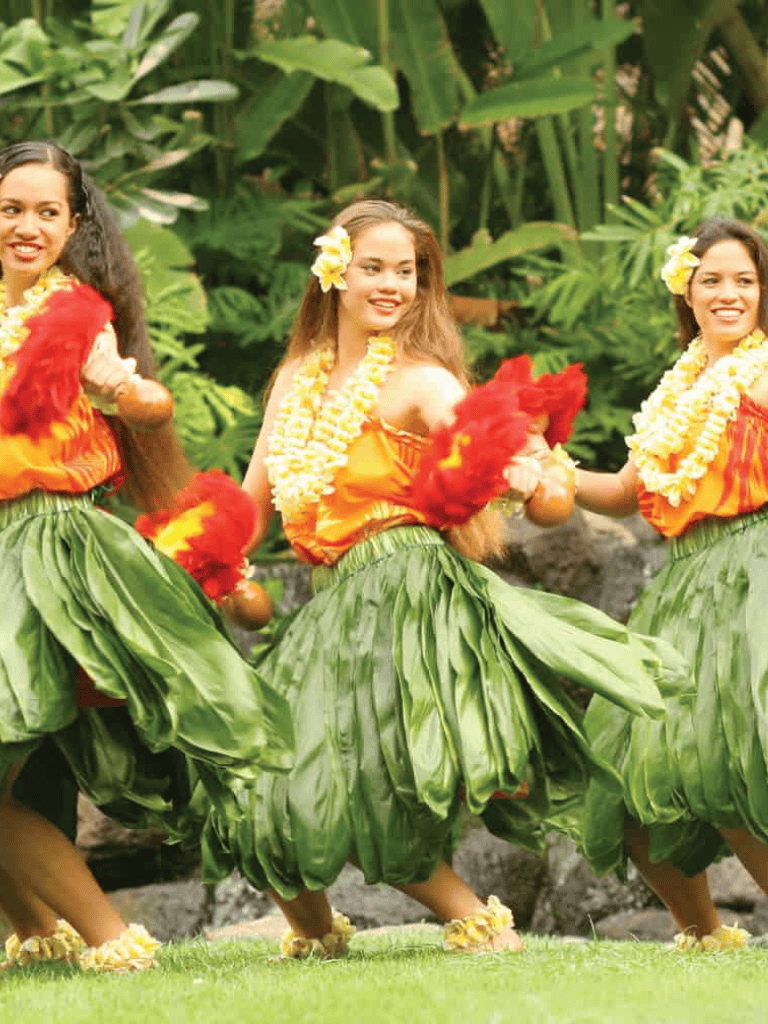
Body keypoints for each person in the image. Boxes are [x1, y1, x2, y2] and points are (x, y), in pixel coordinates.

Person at [200, 199, 688, 958]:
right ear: (335, 271)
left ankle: (478, 922)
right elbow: (253, 500)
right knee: (259, 786)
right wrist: (208, 556)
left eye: (409, 271)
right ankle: (316, 935)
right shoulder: (296, 378)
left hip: (408, 595)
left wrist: (527, 468)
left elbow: (491, 451)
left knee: (363, 784)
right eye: (375, 267)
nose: (393, 284)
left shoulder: (424, 383)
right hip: (335, 606)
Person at [0, 140, 293, 973]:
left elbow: (139, 416)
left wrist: (129, 395)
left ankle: (109, 937)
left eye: (45, 212)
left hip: (54, 547)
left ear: (73, 223)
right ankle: (38, 931)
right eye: (10, 208)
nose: (26, 226)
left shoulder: (78, 318)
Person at [573, 217, 768, 950]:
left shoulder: (762, 370)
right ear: (685, 290)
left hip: (754, 573)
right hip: (685, 585)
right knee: (624, 773)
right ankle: (705, 934)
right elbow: (628, 489)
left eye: (744, 280)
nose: (728, 294)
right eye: (711, 279)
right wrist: (548, 472)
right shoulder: (682, 384)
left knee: (724, 760)